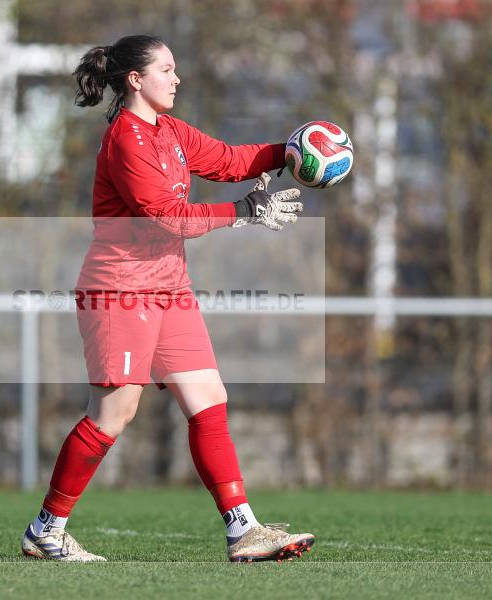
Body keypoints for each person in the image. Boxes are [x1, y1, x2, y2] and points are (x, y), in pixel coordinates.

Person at [21, 34, 314, 563]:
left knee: (209, 400)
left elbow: (227, 160)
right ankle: (47, 528)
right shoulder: (126, 140)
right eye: (166, 70)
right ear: (135, 79)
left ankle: (242, 529)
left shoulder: (170, 130)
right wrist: (242, 212)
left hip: (169, 287)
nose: (176, 79)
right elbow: (167, 216)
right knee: (114, 414)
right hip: (120, 287)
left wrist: (290, 152)